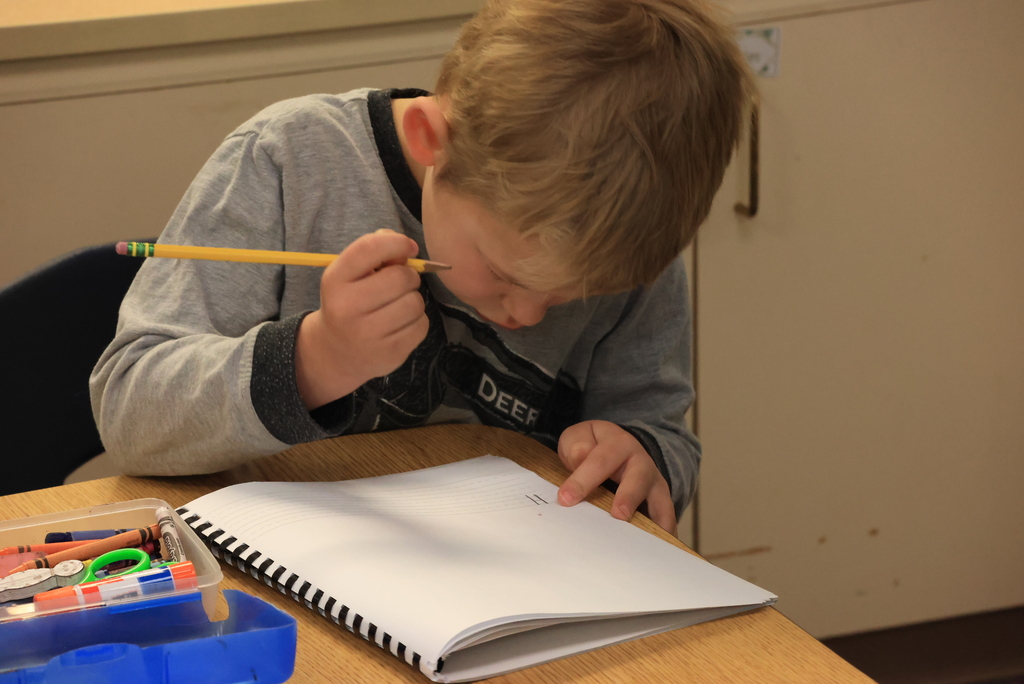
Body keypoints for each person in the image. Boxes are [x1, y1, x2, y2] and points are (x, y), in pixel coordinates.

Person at [90, 0, 753, 536]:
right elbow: (130, 415)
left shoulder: (626, 251)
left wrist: (641, 457)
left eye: (570, 298)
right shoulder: (293, 161)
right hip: (275, 590)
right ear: (431, 144)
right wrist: (315, 360)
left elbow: (665, 435)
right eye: (507, 276)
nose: (524, 316)